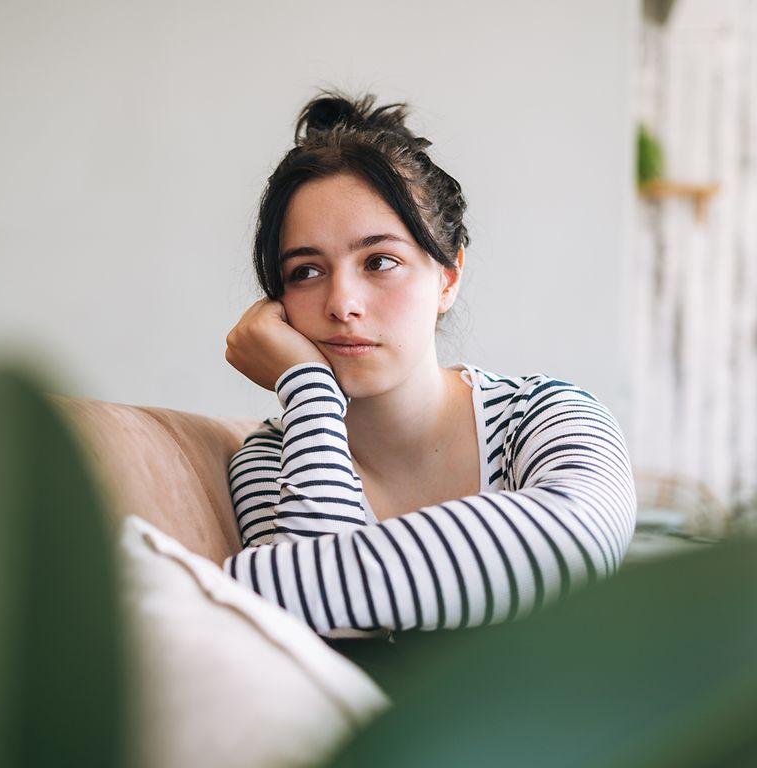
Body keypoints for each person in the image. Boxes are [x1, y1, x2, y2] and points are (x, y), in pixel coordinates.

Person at [220, 88, 638, 661]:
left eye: (380, 261)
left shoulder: (546, 417)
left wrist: (244, 586)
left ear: (448, 276)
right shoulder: (273, 456)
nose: (342, 303)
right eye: (307, 270)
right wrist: (307, 386)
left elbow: (578, 540)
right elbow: (326, 652)